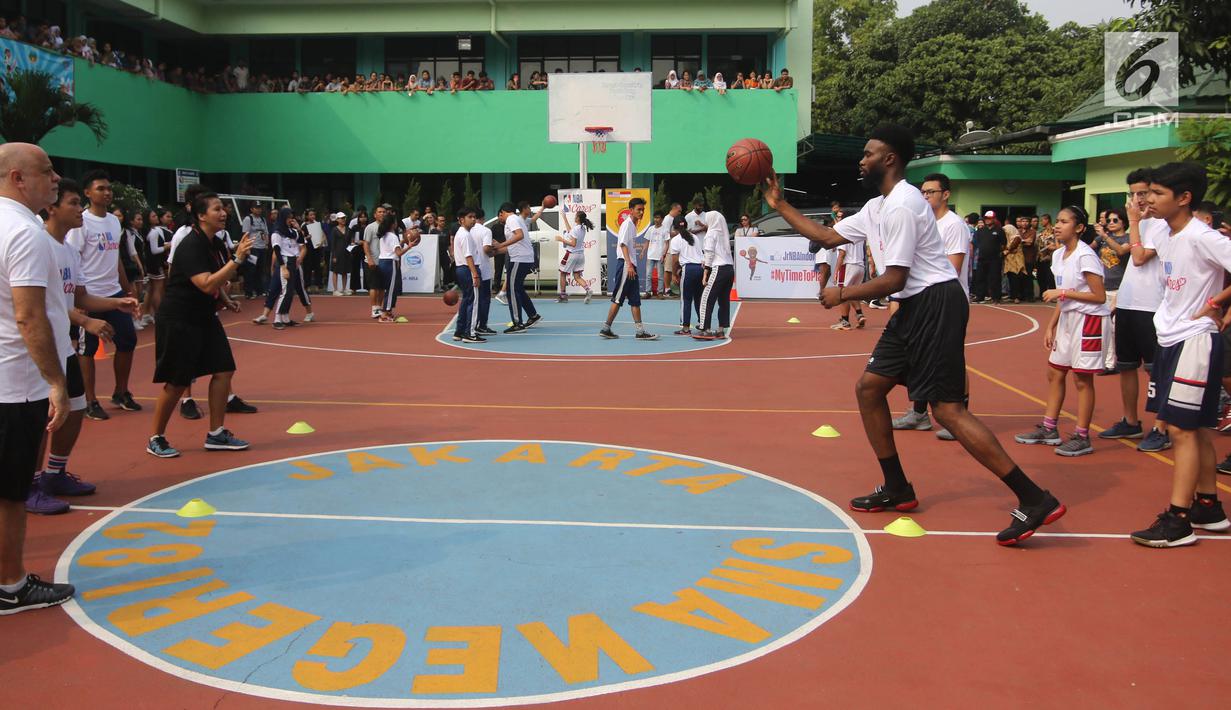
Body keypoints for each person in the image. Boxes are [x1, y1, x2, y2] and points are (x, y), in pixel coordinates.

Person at [764, 123, 1065, 546]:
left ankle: (1035, 498)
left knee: (948, 411)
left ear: (889, 160)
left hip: (935, 303)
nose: (861, 159)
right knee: (869, 389)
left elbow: (894, 278)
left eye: (869, 153)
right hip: (917, 305)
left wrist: (842, 294)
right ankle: (897, 487)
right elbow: (828, 236)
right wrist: (779, 205)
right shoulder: (878, 205)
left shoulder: (904, 205)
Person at [1131, 163, 1231, 546]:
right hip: (1172, 337)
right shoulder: (1167, 234)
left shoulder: (1201, 236)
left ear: (1184, 197)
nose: (1147, 200)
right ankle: (1208, 504)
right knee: (1195, 428)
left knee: (1181, 430)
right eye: (1145, 194)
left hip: (1195, 339)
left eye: (1155, 194)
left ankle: (1179, 520)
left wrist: (1218, 302)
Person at [28, 179, 138, 515]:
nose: (80, 210)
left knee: (74, 411)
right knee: (40, 419)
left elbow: (77, 297)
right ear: (52, 208)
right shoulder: (38, 246)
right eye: (74, 203)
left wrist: (114, 303)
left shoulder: (68, 251)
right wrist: (85, 321)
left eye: (79, 202)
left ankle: (55, 474)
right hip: (39, 350)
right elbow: (35, 306)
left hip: (63, 346)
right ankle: (29, 485)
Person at [0, 142, 76, 614]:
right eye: (46, 171)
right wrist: (55, 381)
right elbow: (30, 315)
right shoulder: (24, 232)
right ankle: (11, 584)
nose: (55, 178)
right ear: (17, 179)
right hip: (17, 380)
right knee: (10, 491)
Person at [147, 191, 253, 459]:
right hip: (180, 319)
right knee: (177, 380)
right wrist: (237, 259)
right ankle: (156, 437)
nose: (223, 213)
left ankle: (216, 434)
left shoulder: (214, 243)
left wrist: (227, 299)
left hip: (204, 316)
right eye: (217, 209)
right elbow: (205, 283)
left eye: (224, 208)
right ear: (201, 215)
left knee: (224, 369)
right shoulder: (191, 245)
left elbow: (216, 279)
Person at [1013, 206, 1108, 457]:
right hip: (1068, 317)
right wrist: (1051, 325)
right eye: (1057, 221)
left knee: (1082, 378)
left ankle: (1082, 436)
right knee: (1054, 372)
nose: (1057, 225)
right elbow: (1063, 296)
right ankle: (1049, 428)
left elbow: (1099, 296)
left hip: (1089, 320)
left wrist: (1062, 293)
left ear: (1078, 228)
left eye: (1064, 222)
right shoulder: (1058, 256)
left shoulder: (1086, 256)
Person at [894, 173, 971, 440]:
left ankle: (960, 415)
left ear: (945, 194)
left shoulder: (954, 225)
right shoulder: (924, 223)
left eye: (931, 192)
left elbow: (953, 266)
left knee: (951, 358)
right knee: (918, 355)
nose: (925, 197)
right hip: (923, 300)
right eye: (923, 192)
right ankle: (919, 413)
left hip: (948, 301)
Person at [1099, 169, 1170, 450]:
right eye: (1133, 194)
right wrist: (1119, 300)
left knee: (1156, 370)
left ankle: (1161, 427)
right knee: (1126, 366)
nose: (1138, 200)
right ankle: (1130, 421)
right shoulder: (1138, 225)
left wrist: (1133, 221)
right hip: (1129, 303)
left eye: (1144, 193)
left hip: (1152, 306)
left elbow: (1139, 257)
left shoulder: (1162, 225)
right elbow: (1126, 258)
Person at [65, 170, 140, 421]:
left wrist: (127, 288)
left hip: (114, 293)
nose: (106, 192)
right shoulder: (81, 222)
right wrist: (79, 299)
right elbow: (74, 259)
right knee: (88, 349)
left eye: (108, 188)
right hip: (90, 296)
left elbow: (115, 256)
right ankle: (90, 400)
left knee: (128, 341)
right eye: (100, 189)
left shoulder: (113, 221)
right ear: (87, 193)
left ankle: (121, 392)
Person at [599, 197, 658, 340]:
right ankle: (606, 328)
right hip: (627, 266)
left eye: (643, 210)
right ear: (631, 210)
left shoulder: (633, 224)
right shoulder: (627, 225)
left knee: (635, 300)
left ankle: (640, 332)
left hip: (631, 267)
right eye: (639, 209)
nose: (641, 212)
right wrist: (630, 265)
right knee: (618, 299)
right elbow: (623, 245)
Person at [253, 208, 316, 329]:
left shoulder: (292, 231)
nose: (290, 220)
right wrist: (282, 267)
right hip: (285, 261)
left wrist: (298, 228)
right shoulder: (277, 232)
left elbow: (302, 241)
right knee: (285, 291)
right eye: (288, 218)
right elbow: (276, 250)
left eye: (291, 217)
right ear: (282, 218)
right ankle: (277, 318)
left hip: (294, 261)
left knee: (290, 291)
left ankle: (285, 317)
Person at [494, 201, 542, 334]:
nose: (500, 219)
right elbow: (516, 243)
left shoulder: (511, 219)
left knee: (512, 289)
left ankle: (517, 323)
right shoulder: (518, 219)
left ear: (502, 213)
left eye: (500, 216)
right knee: (518, 288)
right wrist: (498, 250)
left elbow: (519, 236)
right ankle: (533, 315)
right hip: (524, 258)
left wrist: (501, 244)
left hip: (519, 259)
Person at [1093, 207, 1131, 373]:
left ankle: (1112, 363)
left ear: (1123, 221)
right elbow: (1087, 248)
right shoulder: (1101, 239)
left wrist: (1105, 236)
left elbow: (1121, 250)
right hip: (1103, 287)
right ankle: (1105, 362)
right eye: (1108, 220)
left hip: (1120, 287)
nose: (1111, 223)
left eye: (1115, 220)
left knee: (1114, 328)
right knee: (1104, 326)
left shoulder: (1128, 237)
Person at [693, 210, 736, 341]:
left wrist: (705, 273)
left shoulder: (711, 234)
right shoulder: (724, 233)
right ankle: (721, 329)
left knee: (706, 298)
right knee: (723, 300)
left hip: (718, 268)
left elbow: (710, 253)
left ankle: (705, 329)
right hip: (729, 269)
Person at [451, 208, 485, 342]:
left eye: (474, 217)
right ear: (461, 220)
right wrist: (475, 274)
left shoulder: (460, 233)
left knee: (466, 300)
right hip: (468, 269)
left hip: (461, 269)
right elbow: (468, 256)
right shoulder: (465, 235)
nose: (473, 220)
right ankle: (470, 333)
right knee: (474, 301)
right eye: (470, 217)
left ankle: (459, 331)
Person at [670, 214, 705, 335]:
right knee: (699, 299)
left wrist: (674, 275)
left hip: (688, 269)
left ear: (674, 227)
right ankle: (703, 324)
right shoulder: (694, 237)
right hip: (700, 268)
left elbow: (674, 260)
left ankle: (685, 327)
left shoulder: (675, 240)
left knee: (686, 299)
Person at [377, 211, 414, 322]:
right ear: (393, 224)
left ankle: (388, 312)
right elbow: (398, 253)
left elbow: (392, 248)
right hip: (390, 263)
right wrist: (409, 246)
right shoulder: (392, 236)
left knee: (390, 288)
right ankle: (384, 314)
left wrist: (402, 241)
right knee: (391, 289)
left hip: (383, 262)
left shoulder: (384, 235)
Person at [556, 209, 593, 304]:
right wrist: (564, 217)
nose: (574, 217)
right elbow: (570, 231)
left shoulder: (577, 229)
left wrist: (561, 240)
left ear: (578, 218)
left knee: (563, 273)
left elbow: (573, 243)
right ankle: (588, 289)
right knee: (577, 276)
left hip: (572, 254)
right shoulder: (581, 228)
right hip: (580, 255)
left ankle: (563, 296)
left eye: (576, 216)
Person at [470, 208, 498, 336]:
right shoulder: (486, 230)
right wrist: (495, 250)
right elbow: (486, 248)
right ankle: (481, 325)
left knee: (472, 299)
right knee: (484, 298)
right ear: (483, 218)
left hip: (470, 267)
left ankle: (471, 324)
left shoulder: (467, 230)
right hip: (483, 268)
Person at [831, 242, 866, 330]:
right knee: (853, 293)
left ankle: (845, 322)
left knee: (842, 293)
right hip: (860, 266)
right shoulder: (858, 232)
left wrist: (836, 271)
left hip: (848, 265)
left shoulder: (843, 232)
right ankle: (859, 314)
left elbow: (842, 254)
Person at [972, 210, 1005, 303]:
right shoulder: (980, 231)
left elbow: (1003, 244)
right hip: (982, 258)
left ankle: (996, 297)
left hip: (994, 259)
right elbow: (977, 243)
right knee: (980, 278)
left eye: (989, 218)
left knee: (995, 278)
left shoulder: (999, 230)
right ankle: (980, 296)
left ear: (994, 219)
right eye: (986, 218)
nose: (987, 220)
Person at [362, 204, 389, 319]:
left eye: (384, 212)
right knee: (374, 286)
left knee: (382, 287)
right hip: (372, 261)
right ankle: (374, 308)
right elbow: (365, 243)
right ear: (375, 214)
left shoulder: (387, 227)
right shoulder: (370, 227)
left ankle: (379, 306)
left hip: (384, 261)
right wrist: (369, 259)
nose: (382, 214)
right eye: (380, 212)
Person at [241, 202, 269, 298]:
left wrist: (266, 243)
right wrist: (247, 248)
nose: (259, 210)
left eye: (260, 208)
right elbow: (245, 234)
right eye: (256, 208)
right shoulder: (248, 219)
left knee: (260, 270)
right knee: (250, 270)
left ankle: (259, 291)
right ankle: (249, 292)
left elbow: (266, 233)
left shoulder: (262, 219)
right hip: (253, 248)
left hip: (262, 248)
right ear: (252, 209)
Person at [644, 211, 669, 299]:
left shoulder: (665, 229)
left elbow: (667, 243)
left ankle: (660, 292)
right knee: (648, 275)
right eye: (655, 217)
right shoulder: (651, 229)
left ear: (662, 219)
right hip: (650, 255)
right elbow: (647, 241)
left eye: (658, 218)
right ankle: (648, 292)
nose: (656, 219)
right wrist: (643, 251)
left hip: (659, 256)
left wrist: (664, 254)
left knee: (660, 276)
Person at [329, 211, 352, 295]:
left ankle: (344, 289)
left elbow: (350, 241)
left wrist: (351, 246)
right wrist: (334, 256)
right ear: (337, 219)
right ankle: (335, 290)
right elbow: (333, 243)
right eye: (341, 218)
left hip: (346, 254)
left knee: (345, 271)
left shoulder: (348, 229)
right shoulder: (334, 230)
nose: (343, 219)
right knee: (335, 271)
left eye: (344, 218)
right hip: (337, 254)